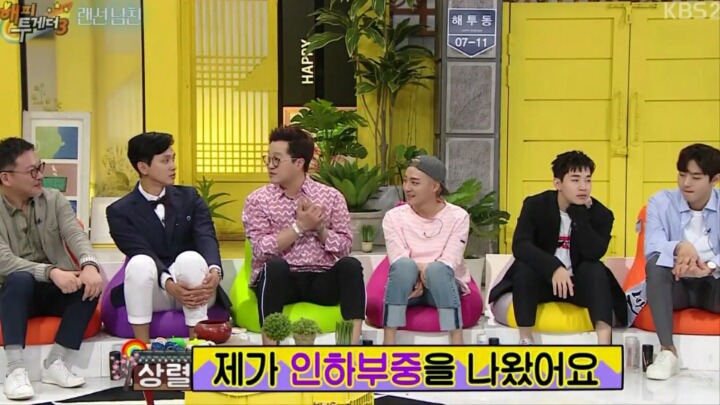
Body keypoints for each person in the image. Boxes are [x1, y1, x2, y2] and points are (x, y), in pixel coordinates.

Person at [242, 125, 365, 345]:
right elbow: (260, 249)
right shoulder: (257, 200)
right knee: (274, 267)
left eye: (277, 160)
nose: (270, 165)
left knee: (351, 266)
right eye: (268, 158)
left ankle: (352, 345)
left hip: (322, 279)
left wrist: (319, 229)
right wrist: (300, 227)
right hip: (282, 281)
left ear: (299, 163)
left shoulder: (331, 197)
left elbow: (345, 246)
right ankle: (270, 348)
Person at [488, 151, 627, 345]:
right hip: (543, 281)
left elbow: (594, 253)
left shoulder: (601, 214)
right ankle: (526, 339)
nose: (583, 187)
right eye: (575, 180)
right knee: (525, 268)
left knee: (595, 268)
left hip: (578, 285)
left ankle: (605, 344)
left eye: (588, 180)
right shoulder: (536, 205)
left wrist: (579, 216)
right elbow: (521, 245)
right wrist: (553, 267)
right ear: (558, 183)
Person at [0, 138, 102, 400]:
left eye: (40, 167)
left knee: (89, 285)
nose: (40, 175)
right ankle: (15, 369)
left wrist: (89, 264)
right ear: (6, 178)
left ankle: (56, 362)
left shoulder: (54, 199)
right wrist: (50, 272)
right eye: (31, 171)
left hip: (53, 286)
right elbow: (4, 260)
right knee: (19, 279)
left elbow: (75, 235)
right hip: (10, 293)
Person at [106, 132, 231, 343]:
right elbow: (140, 250)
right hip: (155, 292)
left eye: (173, 159)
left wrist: (214, 270)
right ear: (143, 167)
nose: (173, 166)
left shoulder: (189, 197)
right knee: (139, 263)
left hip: (193, 286)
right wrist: (169, 284)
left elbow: (206, 236)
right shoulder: (119, 211)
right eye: (165, 161)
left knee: (190, 259)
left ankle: (196, 345)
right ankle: (142, 348)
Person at [644, 143, 720, 381]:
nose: (686, 183)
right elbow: (652, 244)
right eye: (682, 174)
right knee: (655, 265)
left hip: (713, 284)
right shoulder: (660, 202)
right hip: (676, 285)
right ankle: (668, 352)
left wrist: (709, 267)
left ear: (714, 179)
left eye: (696, 177)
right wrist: (680, 246)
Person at [381, 155, 471, 345]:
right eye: (405, 181)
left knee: (438, 270)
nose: (407, 188)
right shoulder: (393, 217)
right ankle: (388, 342)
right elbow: (397, 256)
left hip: (443, 284)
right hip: (408, 287)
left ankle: (457, 343)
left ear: (435, 186)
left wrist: (425, 272)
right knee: (403, 266)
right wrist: (417, 274)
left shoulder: (458, 216)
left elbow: (450, 260)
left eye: (415, 183)